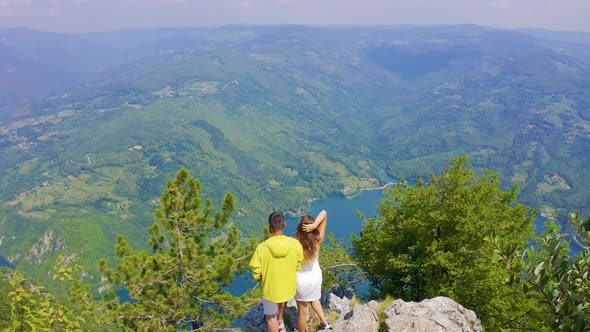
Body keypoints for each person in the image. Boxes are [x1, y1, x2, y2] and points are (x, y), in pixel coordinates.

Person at [249, 211, 304, 332]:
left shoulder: (262, 248)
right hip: (287, 286)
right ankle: (280, 319)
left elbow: (255, 270)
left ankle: (277, 320)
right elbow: (298, 264)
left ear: (269, 226)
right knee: (283, 298)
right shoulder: (295, 244)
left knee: (270, 318)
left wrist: (259, 277)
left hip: (270, 289)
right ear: (284, 224)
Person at [292, 210, 332, 331]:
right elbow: (324, 213)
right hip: (315, 278)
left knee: (302, 312)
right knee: (315, 299)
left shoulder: (294, 244)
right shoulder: (318, 240)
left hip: (300, 281)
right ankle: (325, 323)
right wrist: (315, 225)